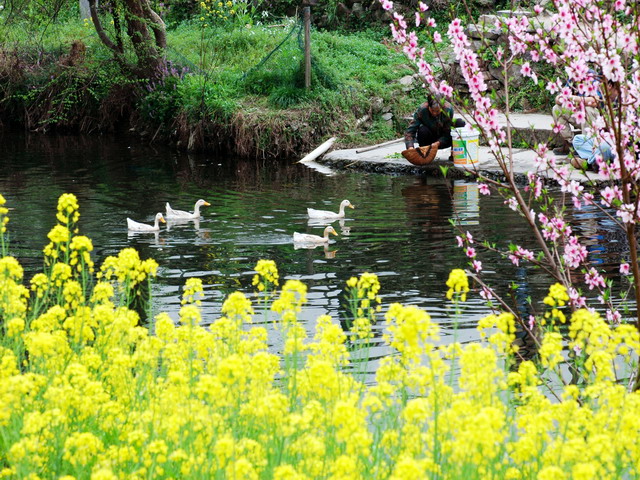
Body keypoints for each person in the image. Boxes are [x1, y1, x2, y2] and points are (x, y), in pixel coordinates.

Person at [551, 70, 603, 155]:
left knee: (588, 109)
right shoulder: (572, 77)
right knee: (556, 108)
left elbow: (595, 101)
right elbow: (560, 97)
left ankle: (586, 146)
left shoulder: (591, 76)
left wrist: (575, 99)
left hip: (594, 118)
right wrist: (560, 99)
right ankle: (570, 144)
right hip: (578, 115)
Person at [404, 94, 465, 158]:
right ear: (428, 106)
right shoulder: (422, 110)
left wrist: (439, 142)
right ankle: (424, 154)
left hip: (445, 139)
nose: (434, 113)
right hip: (429, 140)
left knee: (459, 122)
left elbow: (447, 131)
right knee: (422, 130)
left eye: (437, 111)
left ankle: (454, 154)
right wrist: (410, 148)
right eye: (432, 111)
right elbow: (410, 130)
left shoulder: (448, 109)